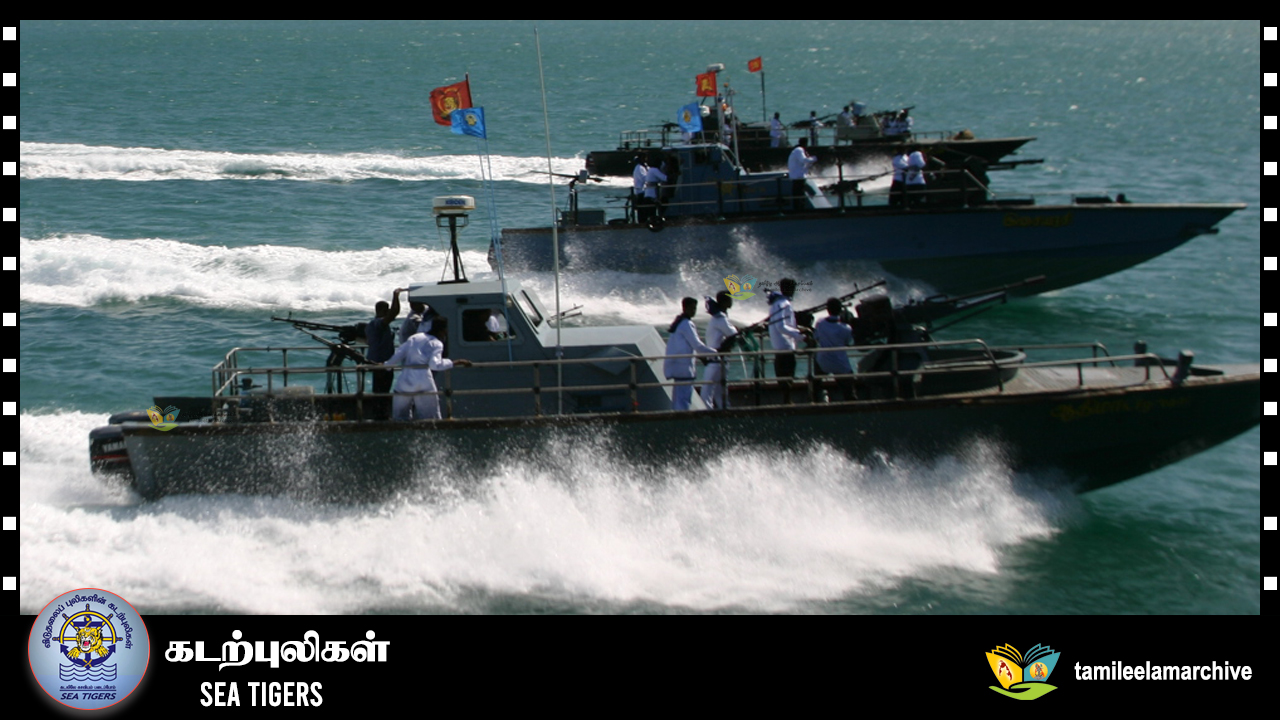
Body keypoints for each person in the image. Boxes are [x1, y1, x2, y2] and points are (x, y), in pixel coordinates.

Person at [384, 317, 472, 421]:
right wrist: (455, 362)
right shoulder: (436, 343)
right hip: (424, 381)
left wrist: (387, 365)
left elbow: (398, 355)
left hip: (405, 381)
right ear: (443, 330)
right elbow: (435, 365)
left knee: (400, 417)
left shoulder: (415, 337)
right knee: (431, 418)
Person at [664, 297, 715, 411]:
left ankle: (678, 417)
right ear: (685, 308)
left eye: (695, 308)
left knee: (678, 398)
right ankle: (682, 418)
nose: (693, 311)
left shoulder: (679, 323)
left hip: (678, 367)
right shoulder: (686, 324)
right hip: (684, 368)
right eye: (691, 308)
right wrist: (716, 352)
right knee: (684, 399)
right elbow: (697, 345)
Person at [700, 291, 739, 410]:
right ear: (724, 302)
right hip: (717, 360)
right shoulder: (720, 318)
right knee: (710, 392)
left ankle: (717, 413)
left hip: (717, 360)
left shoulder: (719, 317)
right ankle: (715, 412)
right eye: (729, 299)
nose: (731, 301)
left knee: (714, 392)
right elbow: (732, 334)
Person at [813, 297, 856, 402]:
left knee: (817, 369)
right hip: (839, 363)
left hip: (823, 361)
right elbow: (849, 343)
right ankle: (850, 401)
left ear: (828, 310)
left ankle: (815, 396)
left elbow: (816, 337)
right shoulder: (846, 328)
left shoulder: (820, 323)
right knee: (848, 385)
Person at [365, 288, 406, 395]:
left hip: (383, 362)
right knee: (381, 390)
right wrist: (395, 296)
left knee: (382, 390)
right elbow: (394, 313)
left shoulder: (376, 324)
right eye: (385, 310)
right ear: (379, 311)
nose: (387, 312)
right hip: (380, 362)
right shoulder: (378, 323)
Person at [767, 278, 806, 383]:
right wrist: (800, 336)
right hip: (785, 347)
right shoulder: (784, 304)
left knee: (783, 379)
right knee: (787, 379)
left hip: (779, 347)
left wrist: (798, 329)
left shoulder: (776, 303)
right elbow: (781, 326)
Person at [788, 137, 817, 210]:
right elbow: (804, 160)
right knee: (799, 195)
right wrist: (814, 158)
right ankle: (799, 210)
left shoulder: (797, 150)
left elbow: (804, 164)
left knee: (799, 194)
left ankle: (800, 208)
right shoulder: (799, 150)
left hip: (798, 176)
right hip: (798, 177)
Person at [630, 153, 648, 222]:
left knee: (643, 210)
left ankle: (643, 220)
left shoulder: (642, 167)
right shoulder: (639, 168)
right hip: (641, 191)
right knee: (642, 211)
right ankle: (642, 222)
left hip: (643, 191)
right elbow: (644, 179)